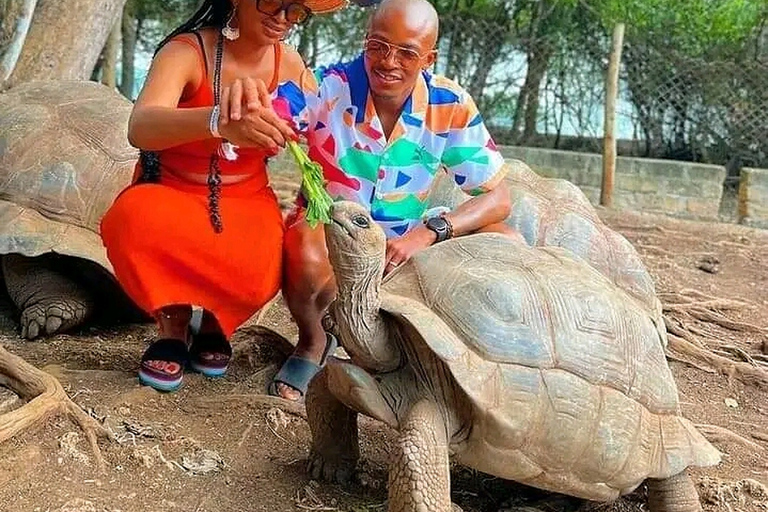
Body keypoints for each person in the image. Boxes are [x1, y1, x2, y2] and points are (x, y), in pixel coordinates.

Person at [248, 0, 518, 401]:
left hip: (405, 241)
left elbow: (498, 197)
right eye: (378, 46)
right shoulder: (327, 85)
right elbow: (272, 114)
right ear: (364, 43)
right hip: (332, 231)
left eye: (407, 52)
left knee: (505, 240)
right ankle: (313, 341)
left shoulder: (449, 105)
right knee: (303, 242)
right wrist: (256, 112)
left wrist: (430, 231)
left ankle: (459, 362)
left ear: (429, 58)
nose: (388, 61)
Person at [99, 0, 347, 392]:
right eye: (273, 2)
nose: (283, 19)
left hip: (246, 199)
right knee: (133, 220)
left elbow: (317, 134)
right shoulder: (186, 52)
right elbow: (141, 126)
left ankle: (216, 323)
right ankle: (173, 327)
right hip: (172, 191)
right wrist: (217, 121)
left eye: (296, 10)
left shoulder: (293, 65)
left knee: (263, 269)